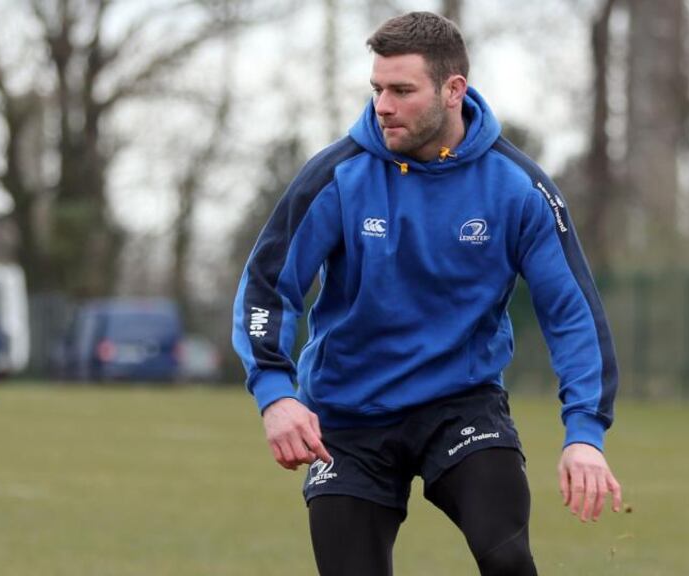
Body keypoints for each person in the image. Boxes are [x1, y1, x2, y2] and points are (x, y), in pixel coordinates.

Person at [232, 12, 620, 575]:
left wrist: (584, 432)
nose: (382, 105)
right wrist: (276, 393)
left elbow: (572, 313)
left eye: (401, 90)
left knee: (507, 558)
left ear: (453, 90)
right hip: (347, 414)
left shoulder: (518, 188)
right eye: (377, 89)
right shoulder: (338, 176)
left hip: (461, 405)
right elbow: (268, 286)